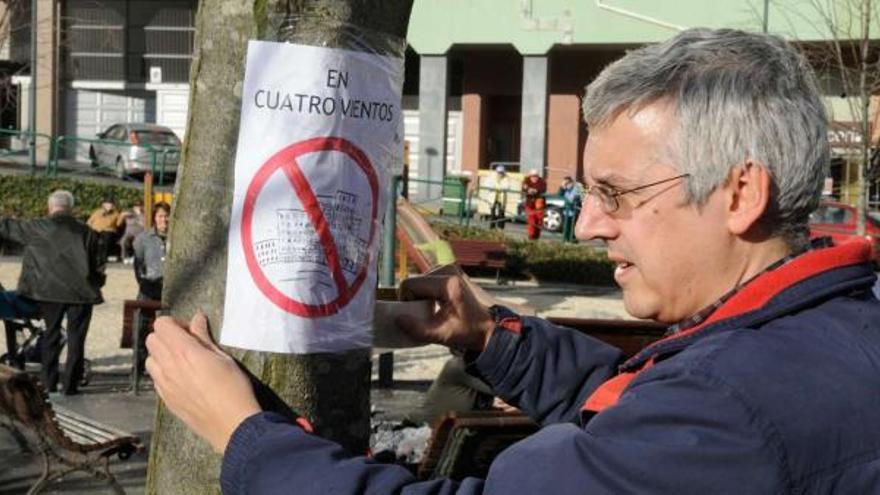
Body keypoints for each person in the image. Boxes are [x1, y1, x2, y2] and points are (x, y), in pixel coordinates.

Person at [145, 28, 880, 493]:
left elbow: (679, 423)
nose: (588, 224)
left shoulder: (731, 410)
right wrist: (490, 337)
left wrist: (243, 432)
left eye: (616, 194)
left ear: (740, 192)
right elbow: (638, 406)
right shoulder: (827, 329)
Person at [0, 190, 104, 395]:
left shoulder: (36, 227)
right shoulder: (88, 232)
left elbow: (6, 227)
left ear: (50, 207)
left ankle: (48, 382)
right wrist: (96, 283)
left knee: (51, 334)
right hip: (81, 293)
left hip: (47, 291)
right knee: (76, 339)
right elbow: (98, 266)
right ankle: (70, 385)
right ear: (71, 208)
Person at [133, 202, 170, 301]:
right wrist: (143, 283)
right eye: (160, 216)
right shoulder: (143, 239)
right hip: (149, 288)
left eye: (167, 216)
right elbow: (138, 264)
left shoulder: (178, 238)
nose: (164, 220)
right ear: (155, 218)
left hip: (173, 289)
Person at [87, 195, 122, 262]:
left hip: (108, 231)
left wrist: (122, 216)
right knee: (91, 237)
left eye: (111, 204)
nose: (109, 206)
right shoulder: (98, 212)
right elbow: (89, 221)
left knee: (106, 237)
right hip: (95, 230)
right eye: (107, 204)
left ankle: (102, 257)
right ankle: (91, 256)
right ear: (103, 205)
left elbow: (118, 224)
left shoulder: (116, 213)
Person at [521, 169, 546, 240]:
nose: (534, 177)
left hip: (539, 205)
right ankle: (531, 237)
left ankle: (536, 237)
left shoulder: (542, 181)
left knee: (539, 221)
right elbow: (524, 188)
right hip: (530, 204)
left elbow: (543, 188)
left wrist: (535, 190)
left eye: (536, 176)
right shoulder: (526, 180)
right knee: (531, 220)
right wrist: (528, 189)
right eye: (532, 176)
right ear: (530, 176)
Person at [118, 200, 145, 264]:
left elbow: (144, 224)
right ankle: (124, 257)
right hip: (128, 232)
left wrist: (139, 215)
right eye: (136, 206)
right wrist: (122, 216)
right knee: (123, 241)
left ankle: (137, 258)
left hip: (139, 233)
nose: (137, 207)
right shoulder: (129, 213)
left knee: (137, 242)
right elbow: (118, 224)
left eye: (139, 206)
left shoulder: (144, 214)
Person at [558, 176, 580, 243]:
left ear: (572, 183)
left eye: (568, 183)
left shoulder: (576, 189)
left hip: (574, 212)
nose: (567, 185)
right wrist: (562, 188)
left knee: (573, 228)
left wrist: (575, 199)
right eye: (565, 183)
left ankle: (573, 240)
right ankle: (566, 240)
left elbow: (576, 198)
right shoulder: (565, 189)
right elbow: (559, 195)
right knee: (566, 227)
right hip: (566, 212)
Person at [486, 164, 509, 229]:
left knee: (501, 213)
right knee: (492, 213)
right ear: (496, 171)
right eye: (499, 172)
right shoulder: (491, 176)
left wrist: (496, 187)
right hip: (492, 197)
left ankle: (500, 227)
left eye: (501, 172)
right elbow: (488, 184)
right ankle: (492, 227)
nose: (500, 173)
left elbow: (507, 186)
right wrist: (497, 187)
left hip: (501, 197)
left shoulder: (506, 177)